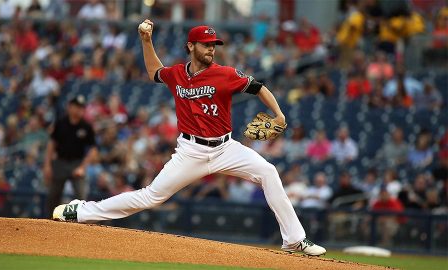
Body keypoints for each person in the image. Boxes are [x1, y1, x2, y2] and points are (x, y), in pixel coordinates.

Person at [52, 20, 326, 256]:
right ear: (190, 46)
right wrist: (146, 40)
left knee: (268, 171)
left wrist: (278, 114)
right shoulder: (177, 75)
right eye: (205, 44)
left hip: (226, 147)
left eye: (213, 44)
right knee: (151, 197)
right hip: (190, 152)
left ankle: (294, 240)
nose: (211, 49)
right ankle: (81, 211)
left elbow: (259, 87)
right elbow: (154, 72)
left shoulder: (226, 74)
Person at [43, 95, 97, 218]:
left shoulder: (86, 126)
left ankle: (80, 222)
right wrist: (47, 165)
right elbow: (51, 144)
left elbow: (93, 149)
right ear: (69, 107)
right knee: (53, 195)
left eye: (81, 108)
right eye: (76, 107)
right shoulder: (61, 123)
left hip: (77, 163)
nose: (79, 110)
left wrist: (83, 167)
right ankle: (50, 221)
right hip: (60, 163)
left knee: (81, 196)